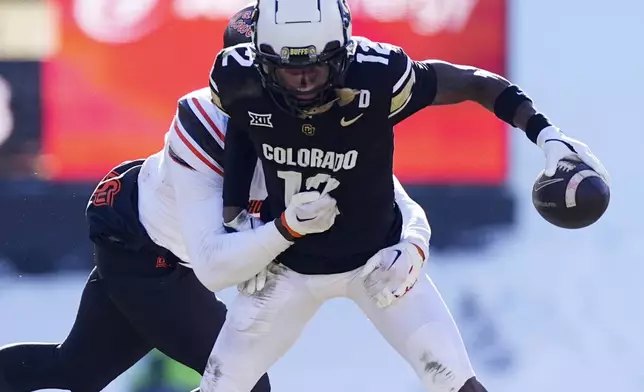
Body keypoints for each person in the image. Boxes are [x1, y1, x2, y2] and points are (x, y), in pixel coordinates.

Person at [0, 5, 429, 392]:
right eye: (275, 70)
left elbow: (382, 189)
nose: (299, 86)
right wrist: (272, 239)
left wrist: (413, 240)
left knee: (77, 370)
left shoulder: (319, 111)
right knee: (240, 382)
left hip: (165, 248)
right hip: (148, 253)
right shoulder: (209, 123)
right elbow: (214, 261)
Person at [203, 0, 611, 392]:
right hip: (284, 268)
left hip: (379, 266)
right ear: (261, 61)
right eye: (289, 70)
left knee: (455, 381)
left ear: (344, 51)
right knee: (220, 387)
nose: (305, 81)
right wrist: (239, 224)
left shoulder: (377, 75)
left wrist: (546, 134)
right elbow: (241, 129)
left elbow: (473, 82)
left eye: (317, 65)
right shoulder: (237, 78)